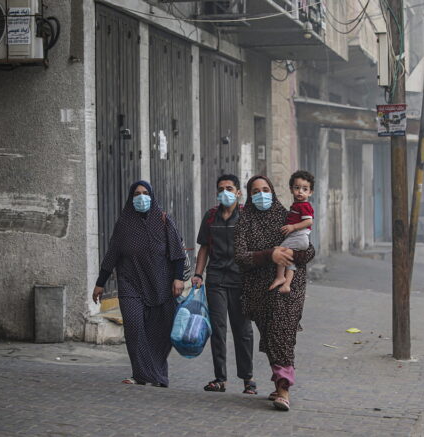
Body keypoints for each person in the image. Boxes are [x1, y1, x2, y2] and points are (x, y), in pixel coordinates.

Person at [92, 181, 185, 387]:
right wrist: (100, 283)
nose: (141, 197)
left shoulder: (163, 221)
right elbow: (111, 255)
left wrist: (179, 278)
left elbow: (178, 253)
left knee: (159, 332)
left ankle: (156, 374)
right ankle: (142, 374)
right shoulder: (123, 224)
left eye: (145, 193)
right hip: (130, 283)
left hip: (161, 284)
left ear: (152, 196)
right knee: (134, 326)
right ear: (130, 198)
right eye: (136, 194)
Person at [234, 175, 315, 412]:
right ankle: (280, 378)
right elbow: (239, 256)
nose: (261, 194)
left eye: (266, 189)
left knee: (282, 332)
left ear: (273, 191)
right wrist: (269, 255)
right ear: (249, 196)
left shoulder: (287, 215)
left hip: (290, 286)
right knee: (270, 336)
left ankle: (283, 390)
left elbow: (309, 249)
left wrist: (288, 256)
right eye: (256, 191)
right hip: (259, 289)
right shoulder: (244, 222)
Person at [192, 174, 256, 395]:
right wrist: (198, 274)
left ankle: (248, 379)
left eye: (230, 188)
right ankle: (220, 378)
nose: (225, 192)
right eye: (221, 189)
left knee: (243, 330)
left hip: (241, 280)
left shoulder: (248, 216)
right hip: (217, 280)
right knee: (217, 329)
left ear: (239, 192)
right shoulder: (210, 217)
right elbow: (204, 249)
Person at [269, 170, 315, 293]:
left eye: (305, 189)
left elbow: (309, 222)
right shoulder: (297, 205)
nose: (300, 191)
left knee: (280, 250)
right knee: (289, 259)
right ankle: (287, 284)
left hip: (299, 236)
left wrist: (293, 227)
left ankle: (280, 277)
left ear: (310, 192)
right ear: (291, 189)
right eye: (297, 188)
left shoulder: (304, 206)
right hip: (298, 237)